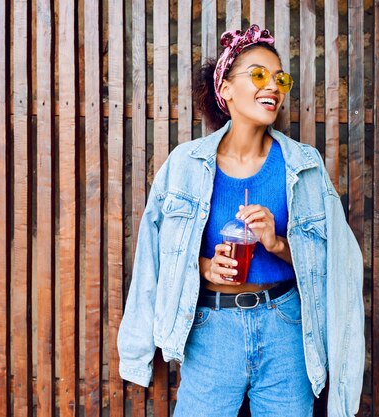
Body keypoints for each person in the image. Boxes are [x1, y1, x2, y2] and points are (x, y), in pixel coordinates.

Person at [118, 24, 365, 416]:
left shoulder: (304, 166)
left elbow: (338, 265)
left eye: (279, 78)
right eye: (258, 74)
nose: (273, 86)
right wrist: (205, 267)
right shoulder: (185, 165)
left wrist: (278, 243)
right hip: (211, 329)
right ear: (226, 90)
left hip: (285, 327)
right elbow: (155, 256)